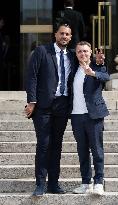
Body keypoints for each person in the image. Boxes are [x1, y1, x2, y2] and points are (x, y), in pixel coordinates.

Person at [25, 24, 75, 196]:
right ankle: (40, 184)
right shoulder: (42, 51)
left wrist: (100, 63)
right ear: (55, 35)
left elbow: (86, 66)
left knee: (57, 146)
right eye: (61, 33)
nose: (64, 36)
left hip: (63, 106)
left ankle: (54, 183)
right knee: (44, 144)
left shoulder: (73, 55)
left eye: (67, 34)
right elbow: (31, 76)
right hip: (44, 106)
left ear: (70, 37)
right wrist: (31, 101)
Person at [70, 41, 110, 195]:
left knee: (97, 150)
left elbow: (105, 77)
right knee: (82, 151)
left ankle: (99, 182)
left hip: (94, 115)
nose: (83, 54)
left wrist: (92, 72)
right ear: (76, 54)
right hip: (76, 115)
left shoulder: (97, 65)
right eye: (80, 51)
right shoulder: (73, 69)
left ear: (91, 53)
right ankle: (85, 182)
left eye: (86, 51)